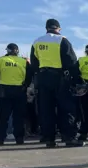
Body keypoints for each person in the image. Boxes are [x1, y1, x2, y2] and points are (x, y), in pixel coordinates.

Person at [30, 18, 83, 148]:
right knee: (66, 108)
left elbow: (34, 63)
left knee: (46, 109)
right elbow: (71, 61)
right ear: (58, 28)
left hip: (43, 78)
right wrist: (78, 80)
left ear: (46, 28)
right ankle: (69, 137)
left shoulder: (37, 42)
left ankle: (49, 139)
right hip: (60, 78)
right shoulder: (62, 40)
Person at [0, 43, 32, 145]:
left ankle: (0, 139)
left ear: (7, 51)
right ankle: (19, 138)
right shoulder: (23, 62)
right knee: (19, 116)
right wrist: (25, 85)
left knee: (2, 116)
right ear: (17, 51)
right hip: (19, 91)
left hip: (4, 91)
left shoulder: (0, 61)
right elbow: (29, 76)